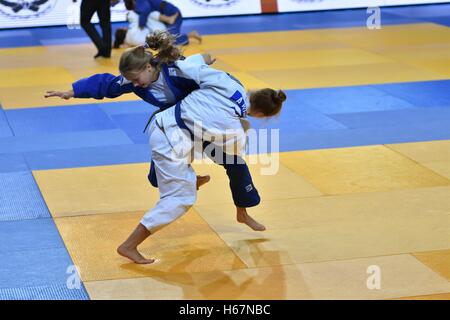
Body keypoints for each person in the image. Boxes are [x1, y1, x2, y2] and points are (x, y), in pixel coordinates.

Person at [44, 32, 280, 252]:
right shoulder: (133, 80)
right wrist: (73, 91)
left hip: (200, 122)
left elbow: (197, 61)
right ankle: (190, 178)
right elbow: (106, 84)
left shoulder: (175, 69)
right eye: (131, 82)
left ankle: (243, 211)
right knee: (156, 179)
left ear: (148, 67)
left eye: (137, 79)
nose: (135, 85)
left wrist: (208, 60)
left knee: (235, 163)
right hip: (172, 128)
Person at [113, 34, 285, 264]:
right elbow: (233, 148)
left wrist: (204, 56)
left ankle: (232, 206)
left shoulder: (229, 82)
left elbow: (191, 65)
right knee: (181, 197)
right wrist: (242, 129)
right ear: (261, 115)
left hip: (172, 127)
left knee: (231, 163)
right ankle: (129, 245)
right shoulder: (232, 127)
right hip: (172, 137)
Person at [128, 0, 201, 45]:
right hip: (167, 13)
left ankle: (190, 35)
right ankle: (183, 40)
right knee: (168, 40)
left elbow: (146, 10)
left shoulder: (139, 3)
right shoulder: (139, 5)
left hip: (172, 14)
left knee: (170, 41)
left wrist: (141, 24)